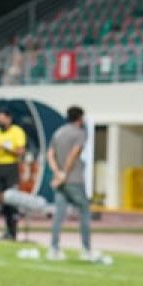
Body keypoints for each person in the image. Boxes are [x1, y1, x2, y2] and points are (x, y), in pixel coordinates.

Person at [47, 106, 98, 262]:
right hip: (73, 179)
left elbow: (50, 154)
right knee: (84, 212)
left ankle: (54, 249)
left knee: (58, 215)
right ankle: (86, 249)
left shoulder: (59, 132)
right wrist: (64, 174)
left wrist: (56, 172)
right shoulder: (79, 133)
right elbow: (74, 154)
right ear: (80, 118)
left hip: (61, 179)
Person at [0, 108, 26, 241]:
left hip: (11, 167)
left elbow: (20, 151)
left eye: (1, 117)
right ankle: (7, 231)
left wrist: (4, 147)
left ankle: (13, 231)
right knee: (3, 200)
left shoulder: (16, 132)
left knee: (12, 199)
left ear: (8, 118)